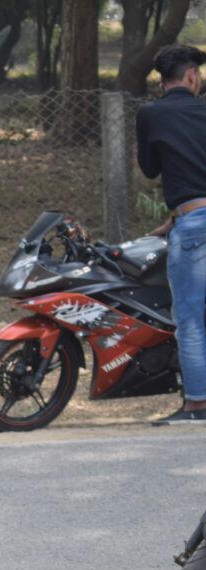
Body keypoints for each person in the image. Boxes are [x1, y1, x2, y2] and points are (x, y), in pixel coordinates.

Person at [137, 43, 206, 424]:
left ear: (162, 80)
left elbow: (150, 169)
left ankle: (197, 405)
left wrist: (180, 216)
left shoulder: (151, 114)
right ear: (192, 75)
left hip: (194, 225)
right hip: (190, 218)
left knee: (191, 318)